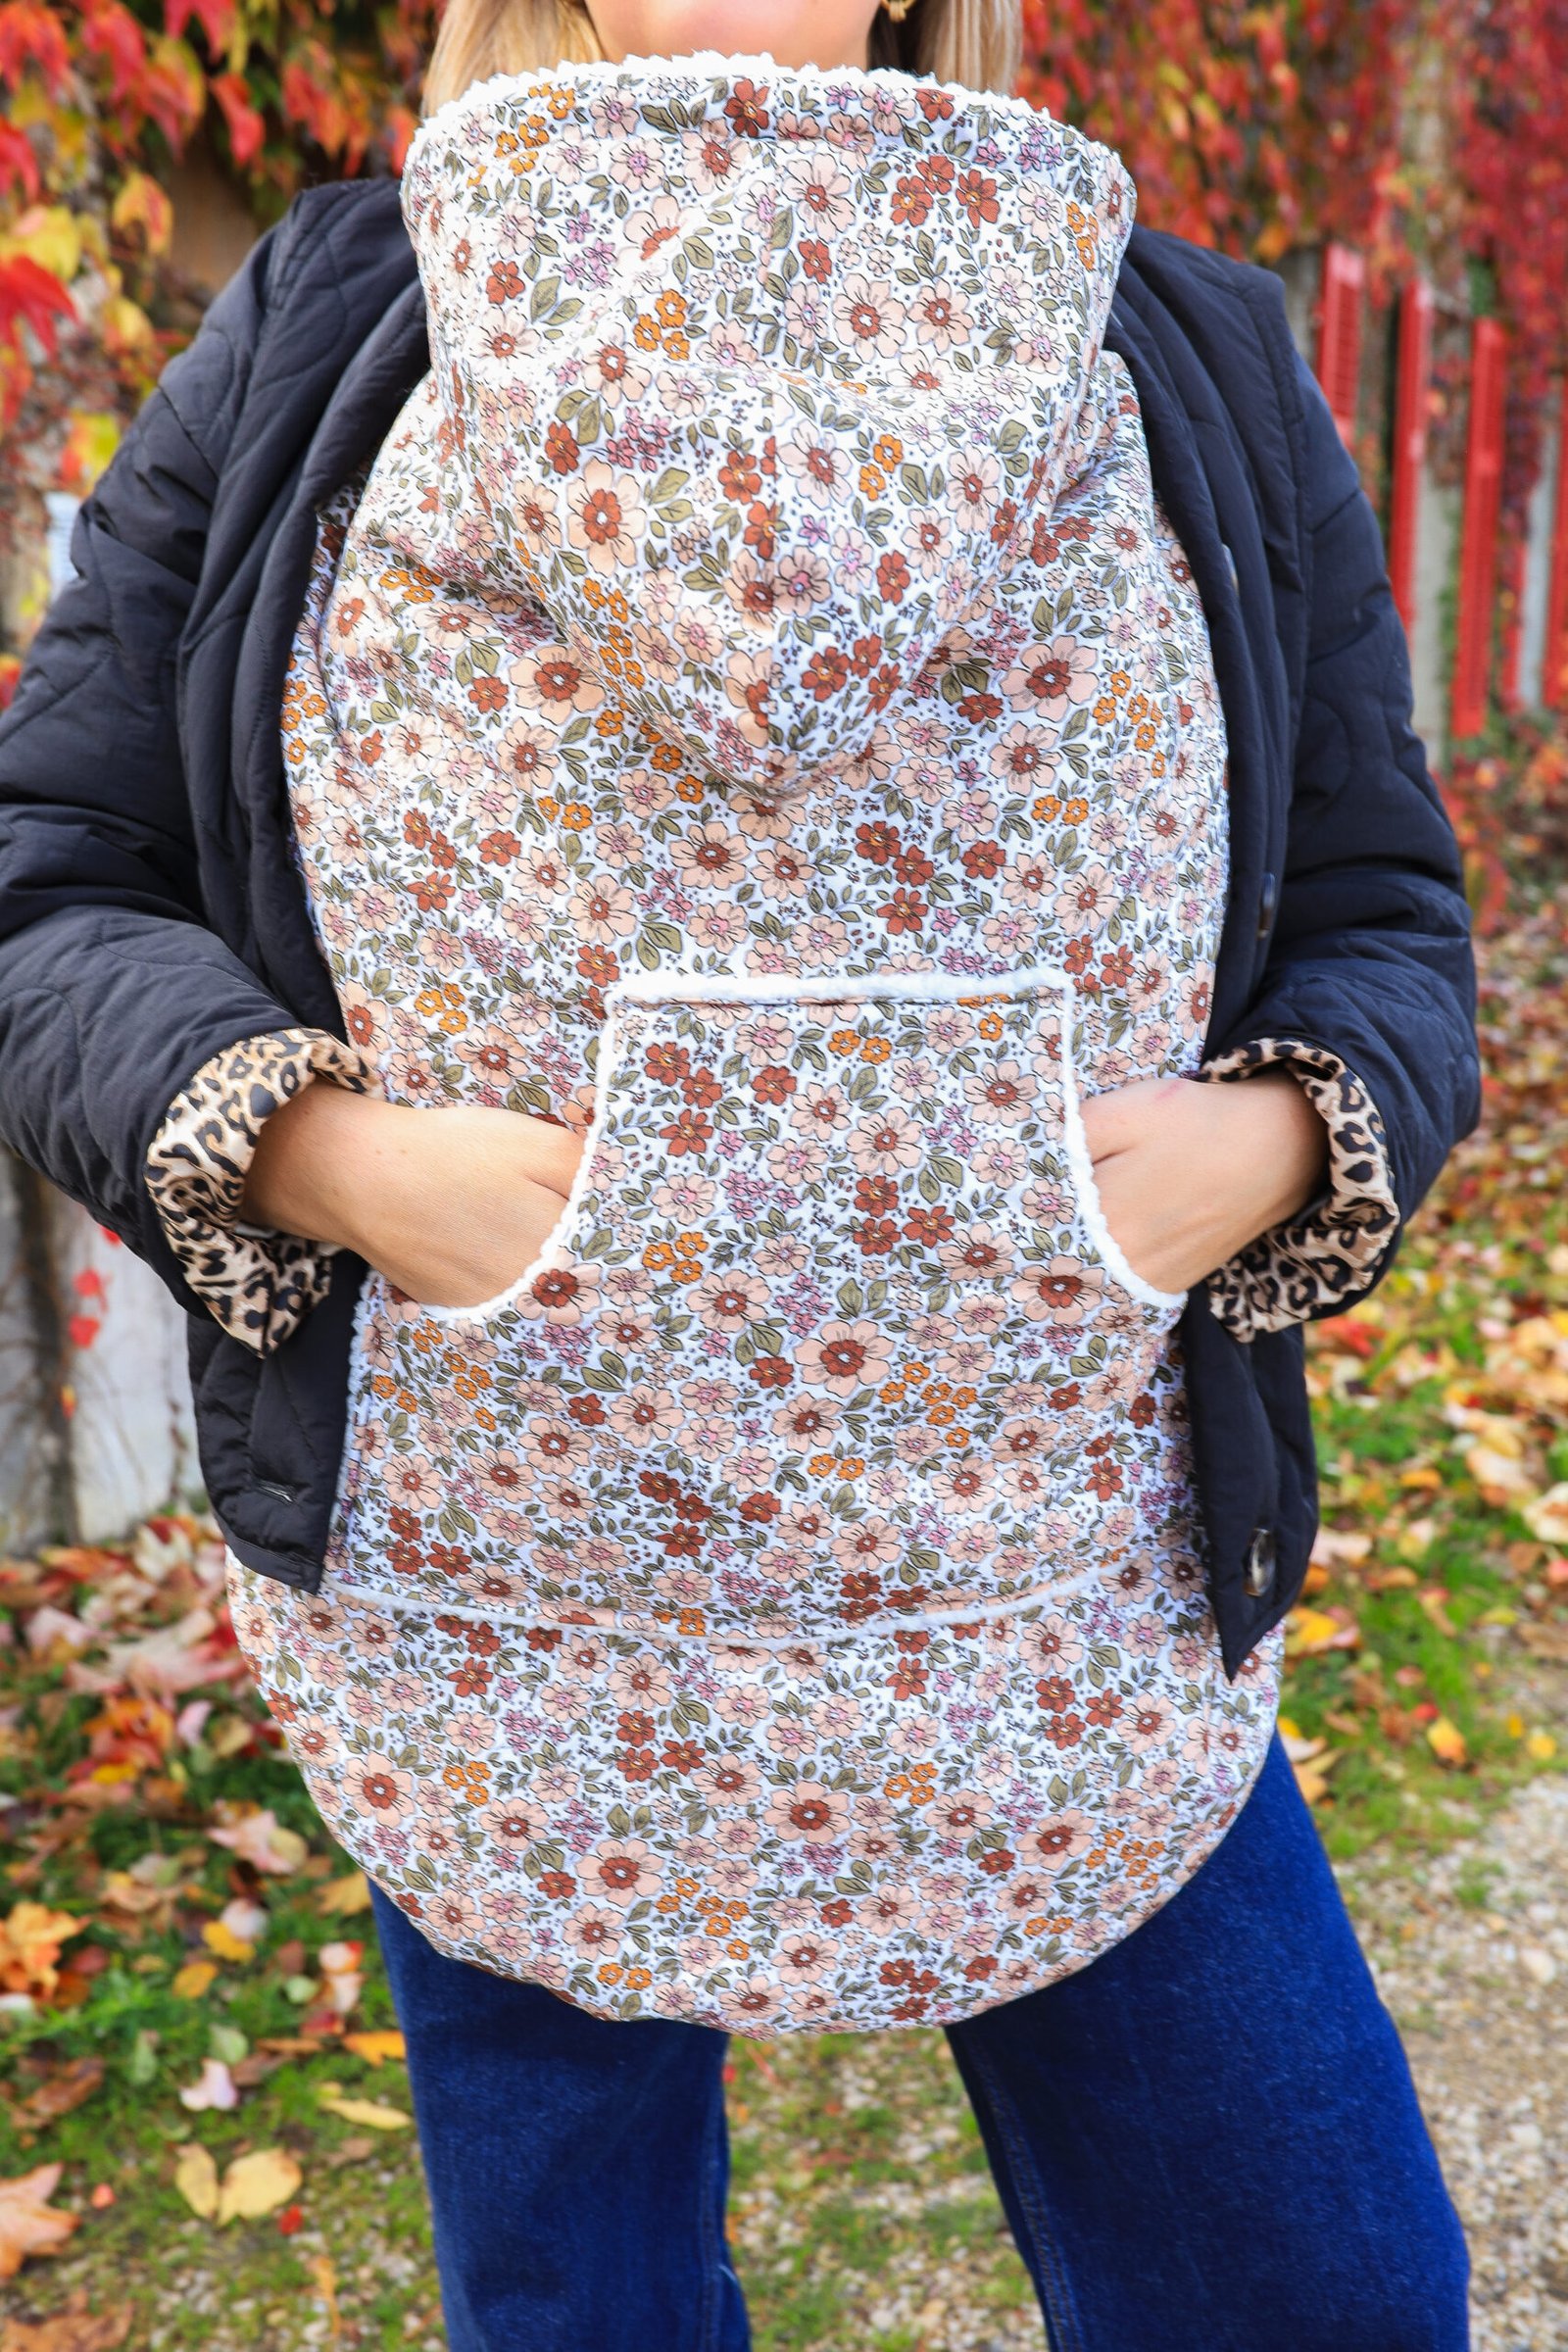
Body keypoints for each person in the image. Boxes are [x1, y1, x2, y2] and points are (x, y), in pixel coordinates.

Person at [0, 0, 1479, 2343]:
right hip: (499, 1605)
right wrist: (335, 1158)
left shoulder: (1178, 347)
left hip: (1062, 1596)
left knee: (1317, 2292)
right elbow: (50, 874)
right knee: (582, 2319)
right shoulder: (332, 322)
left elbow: (1385, 907)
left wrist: (1280, 1140)